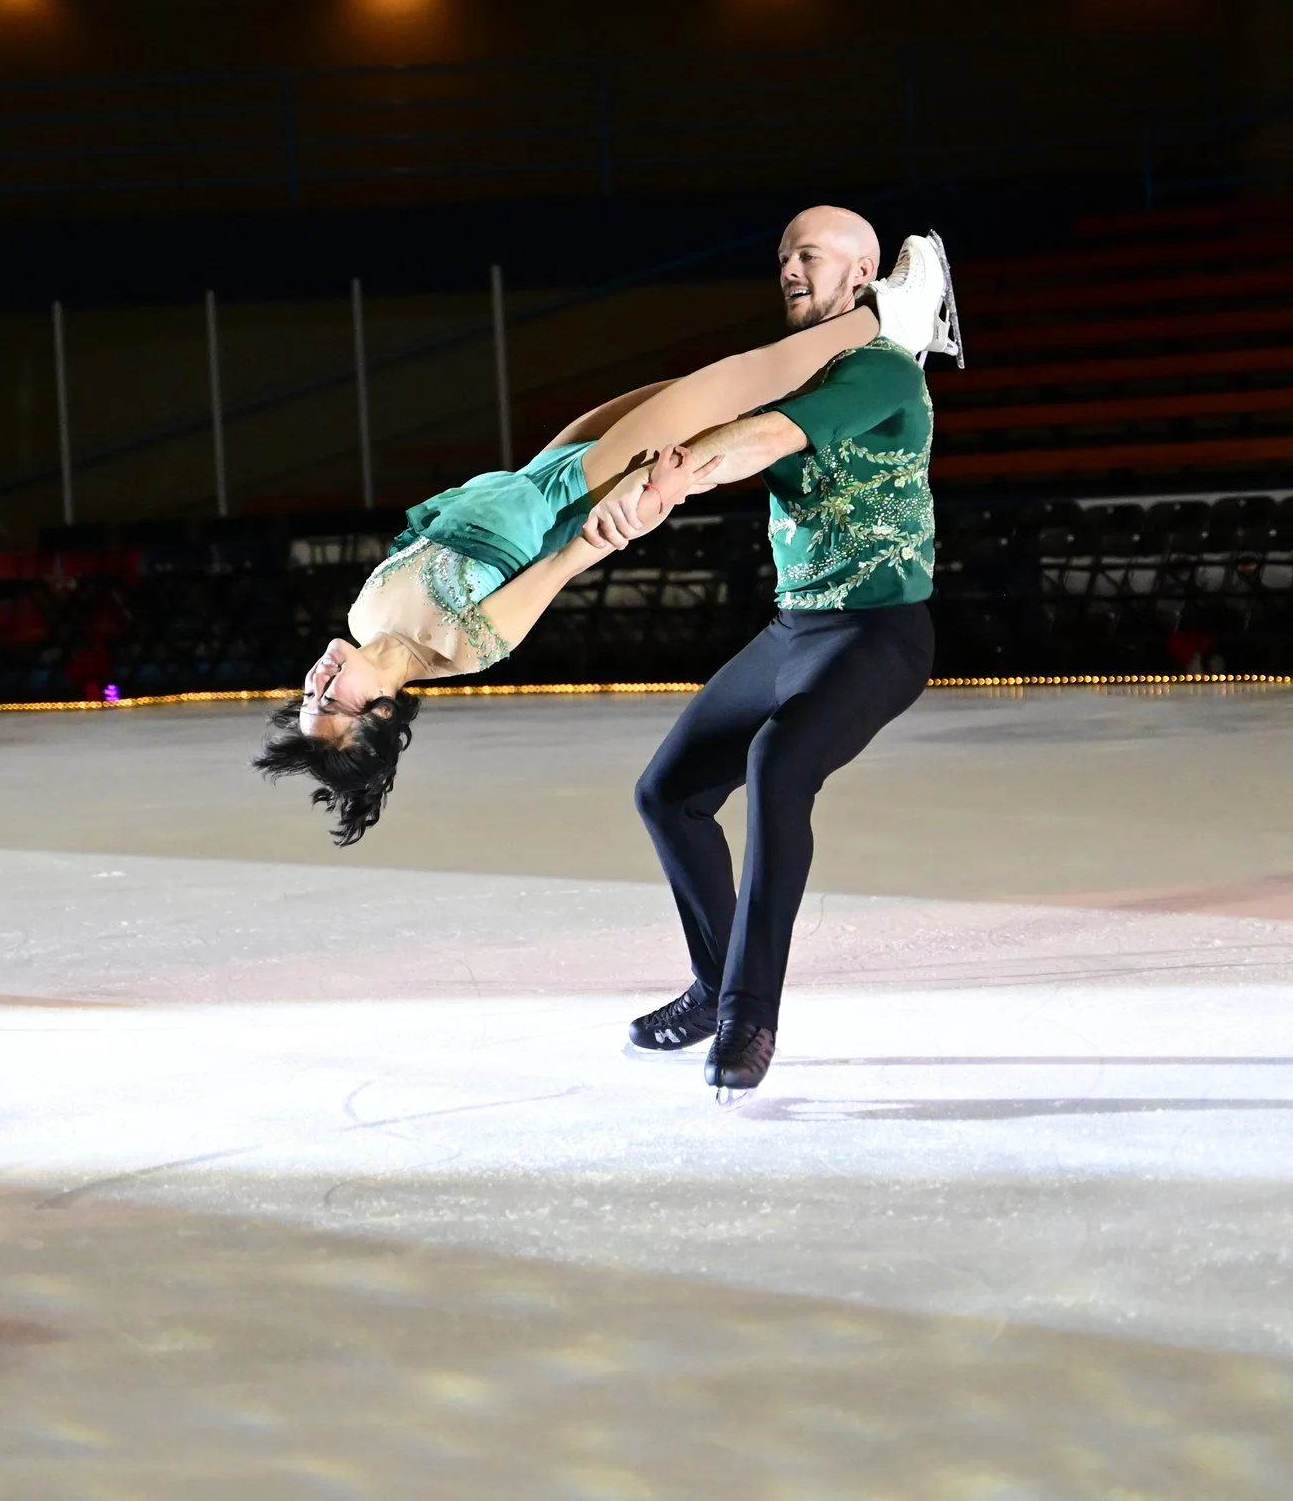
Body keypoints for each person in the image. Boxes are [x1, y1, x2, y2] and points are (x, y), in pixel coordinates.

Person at [255, 209, 954, 845]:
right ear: (377, 711)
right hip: (578, 492)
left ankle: (883, 322)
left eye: (309, 697)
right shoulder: (460, 646)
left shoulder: (363, 610)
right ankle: (893, 316)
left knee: (707, 384)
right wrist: (638, 498)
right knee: (743, 380)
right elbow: (571, 558)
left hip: (538, 467)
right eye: (331, 703)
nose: (316, 683)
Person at [618, 218, 957, 1097]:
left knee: (779, 759)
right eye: (780, 258)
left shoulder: (877, 371)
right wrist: (651, 485)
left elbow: (766, 440)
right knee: (669, 794)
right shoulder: (790, 370)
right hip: (795, 629)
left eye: (809, 255)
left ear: (863, 273)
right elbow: (727, 435)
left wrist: (690, 463)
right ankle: (711, 982)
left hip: (878, 633)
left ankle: (748, 1014)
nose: (789, 269)